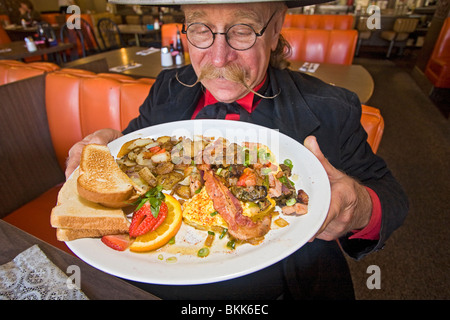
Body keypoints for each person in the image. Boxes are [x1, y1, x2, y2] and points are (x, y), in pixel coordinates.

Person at [65, 0, 408, 300]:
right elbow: (142, 152)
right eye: (200, 29)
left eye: (242, 30)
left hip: (283, 289)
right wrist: (112, 141)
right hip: (150, 283)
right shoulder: (167, 88)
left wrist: (360, 206)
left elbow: (392, 197)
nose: (218, 56)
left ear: (275, 30)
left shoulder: (332, 107)